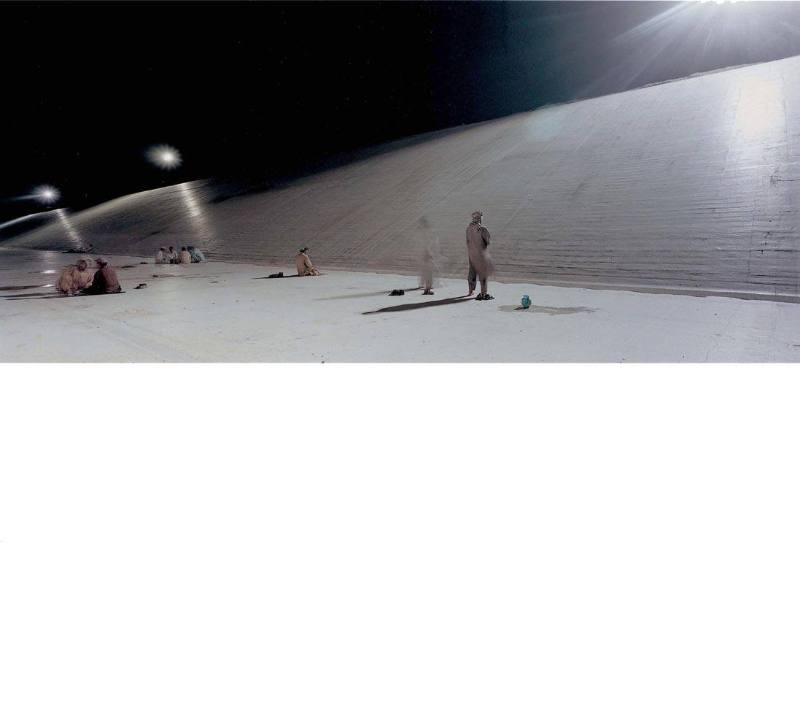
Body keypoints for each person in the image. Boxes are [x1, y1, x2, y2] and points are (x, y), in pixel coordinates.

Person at [466, 210, 495, 300]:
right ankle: (483, 294)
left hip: (471, 254)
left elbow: (467, 241)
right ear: (480, 218)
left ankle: (470, 291)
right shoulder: (483, 229)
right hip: (481, 254)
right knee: (483, 274)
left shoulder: (468, 228)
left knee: (472, 272)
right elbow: (488, 241)